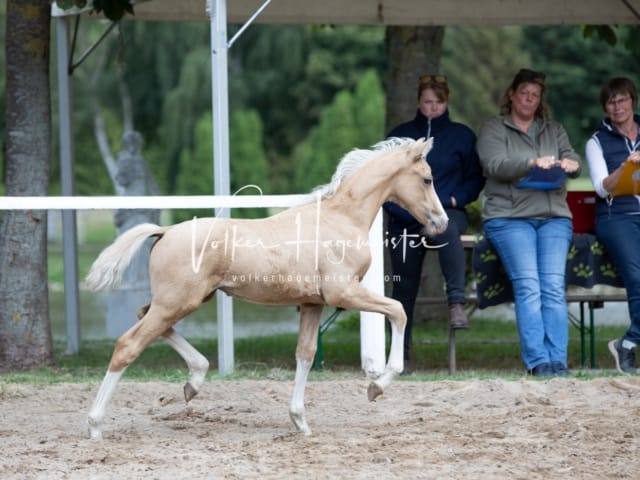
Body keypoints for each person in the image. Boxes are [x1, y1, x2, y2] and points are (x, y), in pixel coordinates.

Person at [476, 68, 581, 377]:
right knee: (530, 287)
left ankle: (557, 362)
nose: (529, 99)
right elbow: (494, 164)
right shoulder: (494, 128)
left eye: (535, 96)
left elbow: (571, 156)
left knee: (552, 288)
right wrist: (531, 163)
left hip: (553, 218)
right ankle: (538, 362)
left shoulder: (554, 129)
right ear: (512, 94)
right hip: (509, 218)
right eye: (524, 93)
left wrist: (571, 164)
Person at [384, 74, 485, 374]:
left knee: (448, 228)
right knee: (404, 288)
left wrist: (454, 200)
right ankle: (400, 357)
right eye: (427, 101)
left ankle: (456, 302)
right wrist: (405, 211)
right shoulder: (400, 137)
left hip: (447, 211)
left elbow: (475, 180)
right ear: (418, 101)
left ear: (447, 102)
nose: (432, 107)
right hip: (404, 217)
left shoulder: (462, 136)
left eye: (438, 102)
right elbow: (384, 182)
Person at [585, 77, 640, 374]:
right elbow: (601, 189)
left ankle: (628, 343)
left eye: (622, 100)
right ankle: (629, 345)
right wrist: (626, 168)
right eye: (611, 102)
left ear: (633, 100)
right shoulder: (596, 141)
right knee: (638, 279)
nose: (617, 107)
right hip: (616, 215)